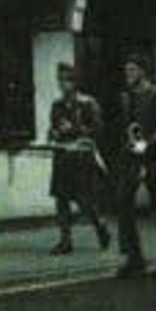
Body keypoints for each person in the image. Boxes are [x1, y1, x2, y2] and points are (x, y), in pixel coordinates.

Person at [113, 53, 156, 280]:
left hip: (155, 158)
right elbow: (127, 128)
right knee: (122, 203)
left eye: (132, 70)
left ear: (142, 71)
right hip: (132, 158)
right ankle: (135, 260)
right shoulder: (127, 97)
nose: (128, 74)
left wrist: (148, 142)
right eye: (126, 70)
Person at [47, 62, 110, 255]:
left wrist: (74, 129)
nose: (61, 84)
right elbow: (52, 128)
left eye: (65, 80)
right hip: (63, 155)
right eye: (59, 80)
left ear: (74, 83)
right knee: (61, 198)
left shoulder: (87, 103)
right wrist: (54, 132)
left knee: (85, 200)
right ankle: (65, 241)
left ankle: (100, 225)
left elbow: (98, 129)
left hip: (82, 156)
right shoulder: (56, 105)